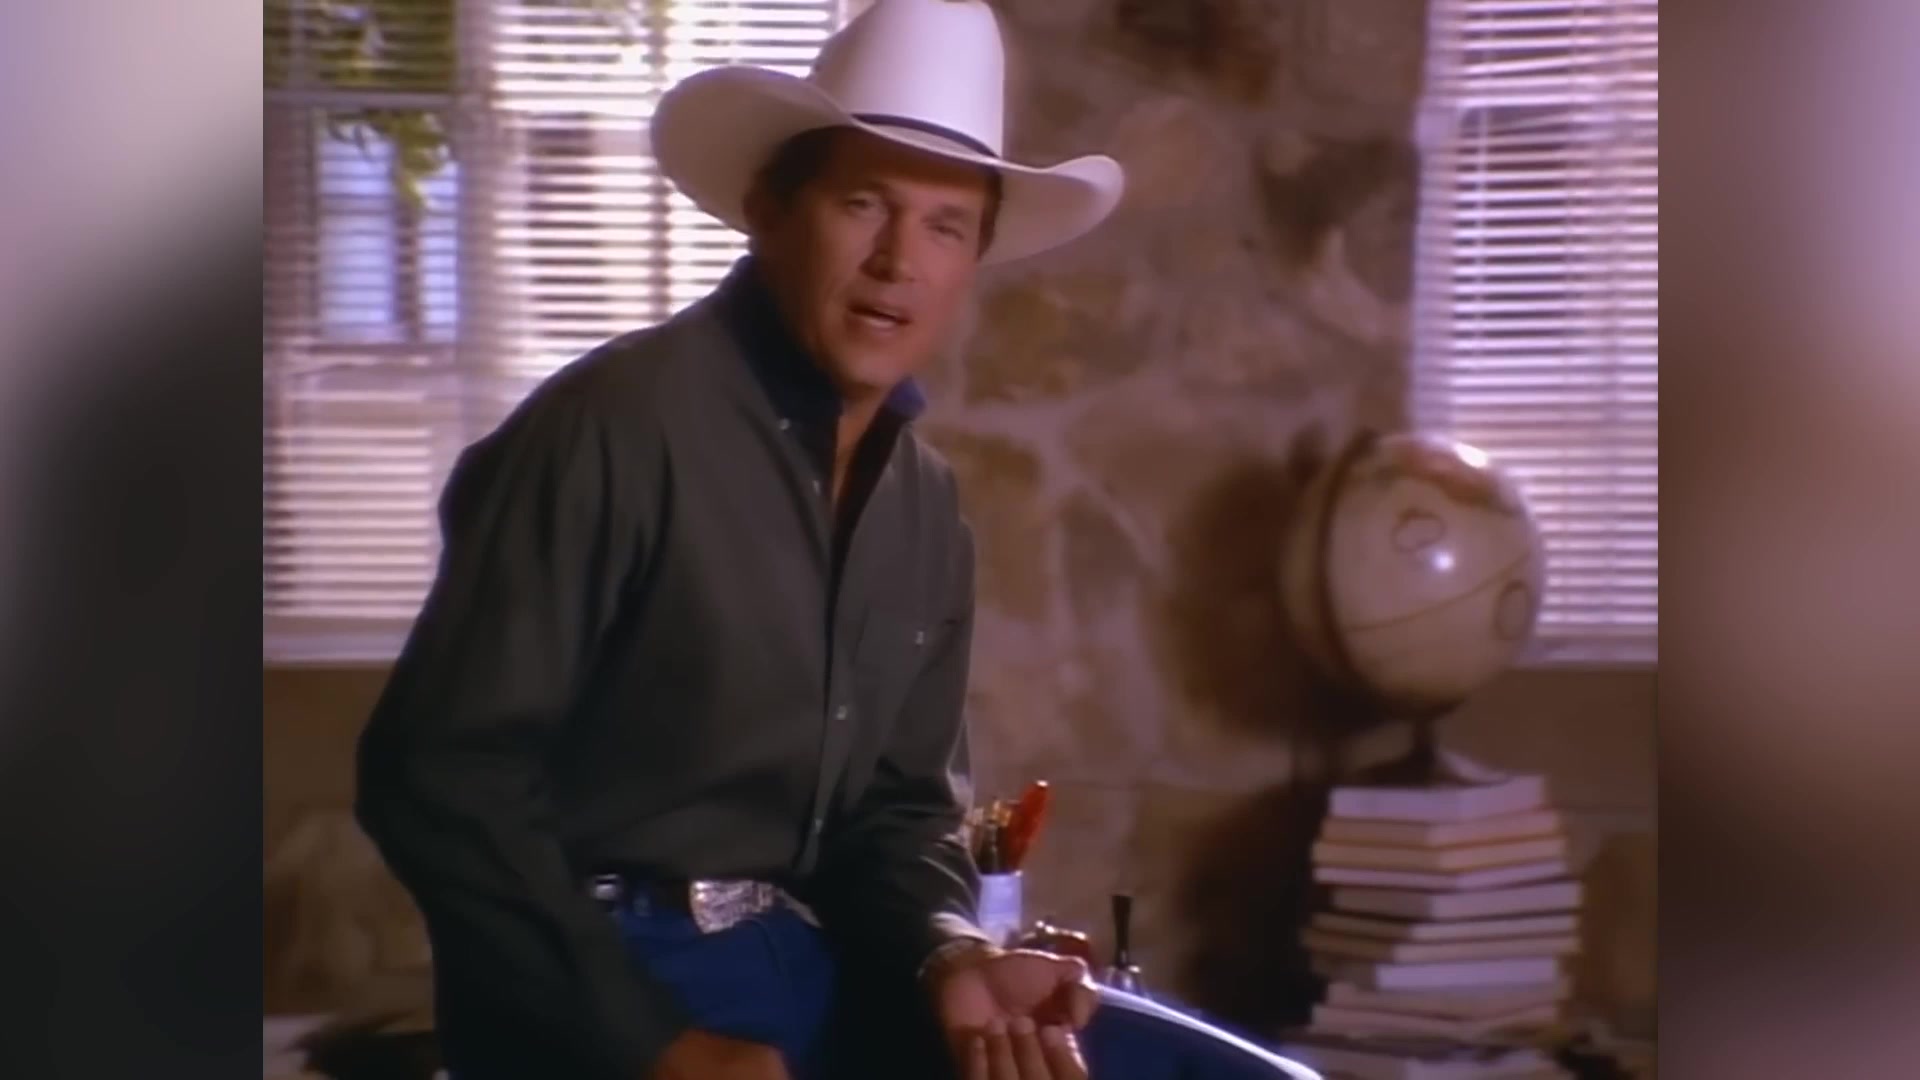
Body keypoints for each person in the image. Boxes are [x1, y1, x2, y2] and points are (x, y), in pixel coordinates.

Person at [356, 2, 1314, 1079]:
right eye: (864, 204)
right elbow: (437, 777)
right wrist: (658, 1050)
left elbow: (899, 816)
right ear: (770, 210)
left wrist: (950, 955)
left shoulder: (924, 507)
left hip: (806, 960)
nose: (898, 261)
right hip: (605, 980)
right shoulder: (612, 428)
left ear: (975, 258)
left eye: (946, 225)